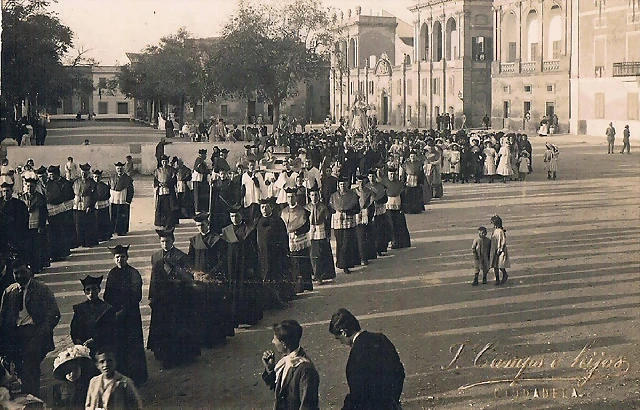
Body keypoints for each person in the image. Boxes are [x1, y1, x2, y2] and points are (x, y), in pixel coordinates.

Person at [0, 260, 61, 396]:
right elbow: (2, 318)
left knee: (30, 367)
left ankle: (33, 397)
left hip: (34, 334)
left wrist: (41, 334)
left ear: (30, 271)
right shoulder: (9, 292)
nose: (20, 276)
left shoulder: (41, 289)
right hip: (15, 335)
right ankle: (26, 395)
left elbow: (54, 314)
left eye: (23, 272)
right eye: (16, 273)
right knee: (18, 368)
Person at [329, 308, 405, 410]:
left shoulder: (355, 357)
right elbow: (399, 372)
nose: (341, 342)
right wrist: (393, 399)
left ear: (344, 332)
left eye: (339, 338)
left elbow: (357, 396)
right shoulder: (381, 339)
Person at [148, 229, 200, 368]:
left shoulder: (181, 257)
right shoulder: (156, 256)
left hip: (177, 298)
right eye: (162, 242)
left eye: (168, 241)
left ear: (173, 241)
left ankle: (179, 355)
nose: (165, 244)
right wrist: (151, 296)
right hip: (161, 299)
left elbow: (188, 278)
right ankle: (163, 354)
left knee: (176, 327)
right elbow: (154, 279)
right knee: (163, 328)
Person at [188, 213, 234, 347]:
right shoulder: (194, 241)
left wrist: (210, 274)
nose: (200, 228)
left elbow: (223, 260)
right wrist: (194, 272)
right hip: (199, 280)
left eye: (202, 225)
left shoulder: (217, 240)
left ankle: (217, 337)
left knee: (215, 308)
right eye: (197, 226)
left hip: (214, 279)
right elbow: (190, 261)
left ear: (207, 224)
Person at [104, 245, 148, 385]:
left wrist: (123, 310)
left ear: (127, 258)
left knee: (133, 345)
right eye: (117, 257)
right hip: (116, 315)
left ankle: (137, 376)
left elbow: (136, 296)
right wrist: (113, 310)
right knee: (120, 345)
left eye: (122, 257)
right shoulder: (112, 274)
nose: (120, 260)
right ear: (113, 259)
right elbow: (107, 295)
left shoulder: (133, 273)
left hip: (131, 315)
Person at [261, 320, 320, 410]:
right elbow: (280, 391)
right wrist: (270, 369)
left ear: (284, 344)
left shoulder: (305, 369)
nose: (273, 342)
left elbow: (307, 405)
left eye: (275, 339)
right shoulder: (285, 361)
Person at [221, 206, 263, 327]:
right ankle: (235, 319)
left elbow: (254, 250)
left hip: (246, 265)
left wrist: (252, 266)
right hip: (231, 267)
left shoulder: (249, 230)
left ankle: (248, 318)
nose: (234, 218)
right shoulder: (226, 231)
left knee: (246, 291)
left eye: (237, 216)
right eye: (232, 216)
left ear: (241, 215)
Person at [256, 199, 295, 309]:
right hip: (263, 256)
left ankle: (280, 299)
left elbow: (283, 238)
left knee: (277, 276)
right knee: (265, 277)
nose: (264, 209)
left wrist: (284, 252)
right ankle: (268, 301)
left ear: (271, 207)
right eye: (262, 207)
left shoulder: (277, 221)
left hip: (276, 255)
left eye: (266, 207)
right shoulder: (259, 222)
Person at [70, 276, 116, 355]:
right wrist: (78, 341)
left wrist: (95, 340)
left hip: (102, 347)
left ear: (99, 290)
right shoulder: (79, 309)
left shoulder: (107, 309)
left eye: (94, 289)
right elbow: (74, 328)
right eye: (88, 290)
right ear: (84, 291)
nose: (91, 292)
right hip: (83, 348)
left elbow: (109, 329)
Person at [281, 187, 313, 293]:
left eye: (292, 197)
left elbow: (307, 227)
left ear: (296, 197)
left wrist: (296, 231)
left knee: (302, 261)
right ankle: (296, 286)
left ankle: (306, 285)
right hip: (289, 240)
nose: (290, 199)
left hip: (300, 239)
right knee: (293, 263)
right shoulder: (283, 211)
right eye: (289, 197)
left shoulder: (302, 211)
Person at [329, 177, 361, 274]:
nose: (342, 186)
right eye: (341, 184)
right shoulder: (334, 196)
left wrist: (348, 211)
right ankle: (340, 263)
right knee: (340, 243)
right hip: (338, 223)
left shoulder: (353, 195)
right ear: (338, 186)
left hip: (348, 222)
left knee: (347, 243)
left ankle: (347, 264)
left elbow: (357, 209)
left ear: (347, 185)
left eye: (344, 184)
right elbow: (331, 207)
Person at [305, 186, 336, 284]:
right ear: (310, 196)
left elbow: (327, 221)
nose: (314, 197)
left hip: (321, 230)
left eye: (316, 195)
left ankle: (322, 275)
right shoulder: (307, 208)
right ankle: (315, 273)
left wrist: (328, 234)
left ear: (319, 196)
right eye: (312, 195)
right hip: (311, 232)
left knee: (321, 253)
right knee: (313, 254)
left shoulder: (323, 207)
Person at [52, 345, 95, 409]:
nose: (71, 374)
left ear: (81, 368)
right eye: (68, 371)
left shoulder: (90, 384)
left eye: (74, 369)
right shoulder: (59, 388)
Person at [20, 177, 48, 274]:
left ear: (35, 187)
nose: (29, 188)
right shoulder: (22, 198)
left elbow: (44, 213)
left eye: (31, 186)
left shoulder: (40, 198)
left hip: (37, 224)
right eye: (27, 186)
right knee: (27, 247)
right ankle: (29, 267)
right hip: (26, 226)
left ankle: (36, 266)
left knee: (36, 247)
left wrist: (41, 226)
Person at [45, 165, 73, 259]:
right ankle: (53, 254)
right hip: (51, 212)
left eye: (52, 175)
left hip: (62, 211)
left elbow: (68, 196)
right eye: (49, 175)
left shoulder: (65, 183)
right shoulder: (49, 183)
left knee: (61, 233)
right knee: (52, 234)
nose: (50, 177)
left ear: (57, 174)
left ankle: (63, 253)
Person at [383, 168, 411, 250]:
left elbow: (403, 196)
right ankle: (392, 241)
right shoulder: (384, 183)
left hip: (398, 207)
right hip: (388, 207)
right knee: (390, 225)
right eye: (390, 174)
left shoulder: (399, 184)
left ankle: (402, 242)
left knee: (399, 224)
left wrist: (403, 207)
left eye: (393, 174)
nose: (392, 176)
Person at [1, 181, 29, 262]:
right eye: (4, 191)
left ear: (12, 192)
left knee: (17, 253)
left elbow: (24, 218)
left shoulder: (19, 204)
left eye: (7, 191)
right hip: (3, 233)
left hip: (15, 233)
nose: (5, 193)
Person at [73, 163, 98, 248]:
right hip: (77, 205)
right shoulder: (76, 181)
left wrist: (90, 206)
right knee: (78, 224)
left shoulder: (92, 183)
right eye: (82, 172)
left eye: (85, 172)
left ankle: (88, 242)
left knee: (88, 224)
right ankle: (79, 241)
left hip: (87, 205)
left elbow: (94, 196)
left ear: (88, 173)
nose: (84, 174)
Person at [109, 162, 135, 236]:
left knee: (122, 215)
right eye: (118, 168)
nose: (119, 170)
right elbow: (109, 187)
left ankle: (122, 230)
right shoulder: (112, 178)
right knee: (114, 215)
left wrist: (128, 200)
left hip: (123, 199)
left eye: (121, 168)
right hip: (114, 199)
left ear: (123, 169)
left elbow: (131, 190)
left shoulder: (128, 179)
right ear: (116, 169)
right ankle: (113, 229)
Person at [153, 155, 178, 229]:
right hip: (161, 190)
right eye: (163, 162)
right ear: (161, 162)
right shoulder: (158, 170)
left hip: (169, 190)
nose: (164, 163)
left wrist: (167, 184)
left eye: (166, 162)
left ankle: (170, 222)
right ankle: (161, 222)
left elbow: (174, 180)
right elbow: (155, 180)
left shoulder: (172, 170)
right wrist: (159, 184)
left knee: (169, 206)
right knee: (161, 206)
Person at [489, 215, 510, 285]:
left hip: (499, 250)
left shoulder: (500, 231)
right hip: (494, 250)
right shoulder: (495, 231)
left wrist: (500, 249)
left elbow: (503, 241)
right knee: (495, 265)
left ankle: (504, 275)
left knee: (500, 265)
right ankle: (497, 279)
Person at [92, 170, 112, 242]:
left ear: (100, 177)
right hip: (94, 206)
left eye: (98, 177)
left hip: (103, 206)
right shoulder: (91, 185)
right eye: (95, 177)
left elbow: (107, 195)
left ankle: (104, 236)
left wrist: (97, 198)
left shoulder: (104, 186)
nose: (96, 178)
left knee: (103, 221)